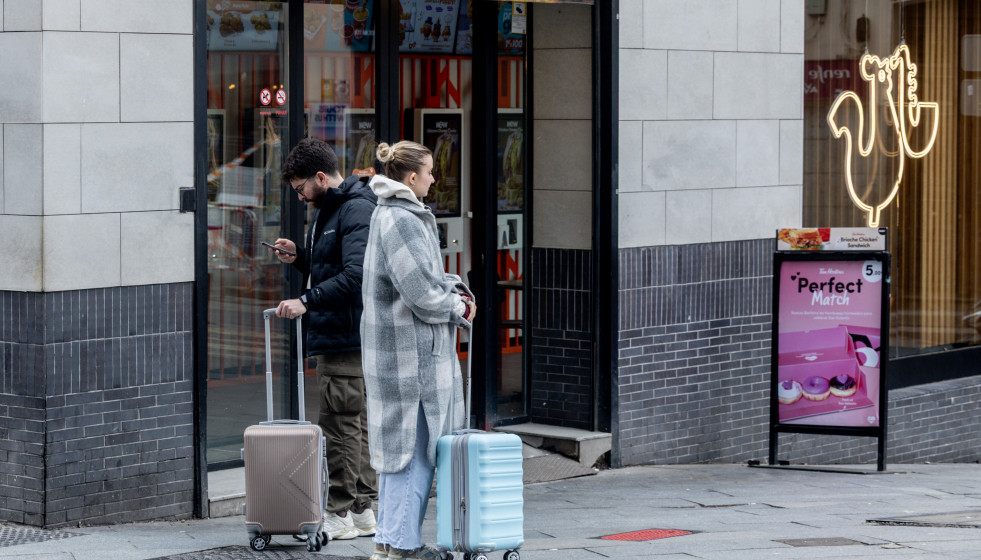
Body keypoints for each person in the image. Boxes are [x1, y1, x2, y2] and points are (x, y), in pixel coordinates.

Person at [360, 141, 476, 560]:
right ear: (411, 177)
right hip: (412, 359)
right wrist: (458, 305)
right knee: (416, 453)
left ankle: (389, 540)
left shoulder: (389, 214)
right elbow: (422, 293)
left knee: (398, 454)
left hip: (397, 355)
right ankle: (404, 546)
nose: (433, 178)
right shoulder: (404, 219)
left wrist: (451, 290)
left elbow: (422, 280)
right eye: (429, 171)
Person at [271, 138, 378, 541]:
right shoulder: (332, 209)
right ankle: (364, 510)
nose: (299, 197)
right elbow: (334, 264)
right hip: (344, 334)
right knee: (356, 424)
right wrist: (300, 256)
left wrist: (305, 300)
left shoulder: (354, 209)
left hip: (345, 338)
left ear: (321, 176)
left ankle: (340, 512)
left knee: (339, 425)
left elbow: (356, 276)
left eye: (301, 189)